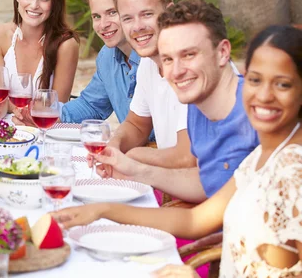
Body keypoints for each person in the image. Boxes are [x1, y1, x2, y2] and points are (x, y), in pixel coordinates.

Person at [53, 25, 302, 277]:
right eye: (256, 80)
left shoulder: (293, 169)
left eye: (282, 84)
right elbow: (194, 221)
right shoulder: (264, 156)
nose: (264, 95)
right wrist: (101, 210)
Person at [92, 0, 258, 203]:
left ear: (222, 52)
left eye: (189, 55)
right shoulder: (198, 103)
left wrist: (135, 161)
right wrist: (135, 170)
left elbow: (209, 214)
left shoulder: (254, 112)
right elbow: (205, 182)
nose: (176, 72)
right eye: (168, 59)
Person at [103, 0, 194, 168]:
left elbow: (187, 158)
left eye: (147, 14)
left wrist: (134, 156)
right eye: (127, 18)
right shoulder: (148, 63)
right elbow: (136, 125)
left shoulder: (192, 65)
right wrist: (113, 146)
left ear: (169, 13)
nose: (137, 27)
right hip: (175, 180)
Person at [60, 0, 141, 124]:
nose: (103, 25)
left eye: (112, 12)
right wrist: (48, 114)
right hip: (133, 147)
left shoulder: (157, 58)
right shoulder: (107, 56)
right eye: (96, 16)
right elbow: (92, 106)